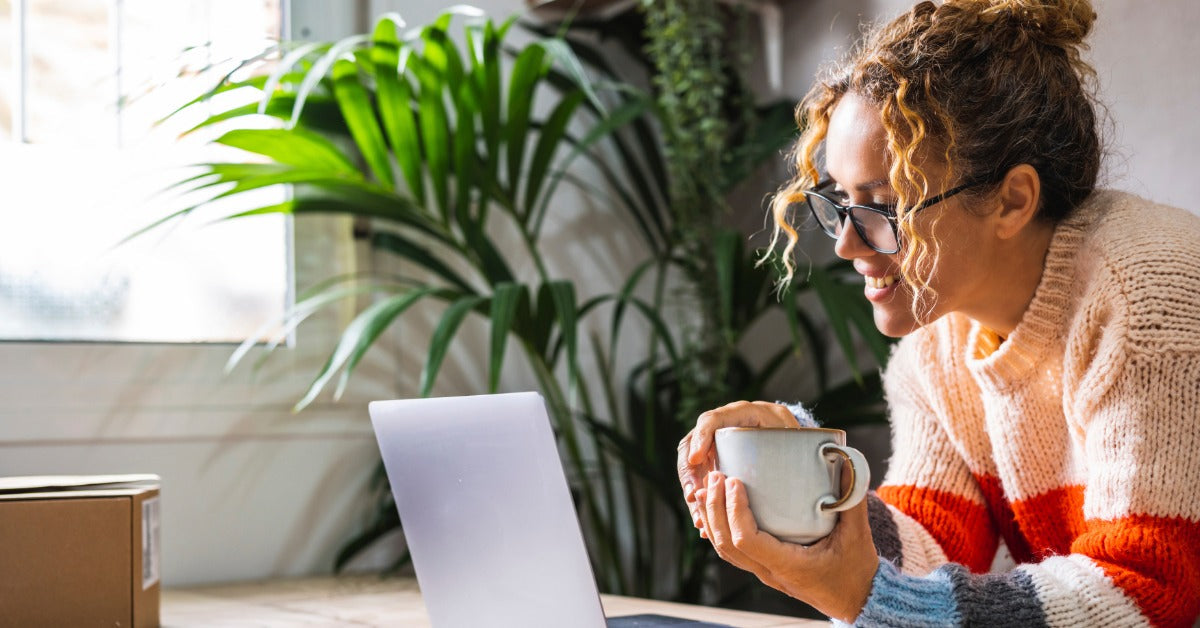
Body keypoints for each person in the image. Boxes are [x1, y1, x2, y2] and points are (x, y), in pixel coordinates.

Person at [675, 0, 1200, 626]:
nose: (845, 244)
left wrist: (862, 597)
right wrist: (800, 480)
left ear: (1012, 200)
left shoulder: (1148, 303)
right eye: (842, 202)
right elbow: (930, 543)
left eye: (884, 206)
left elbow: (1147, 590)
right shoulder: (936, 348)